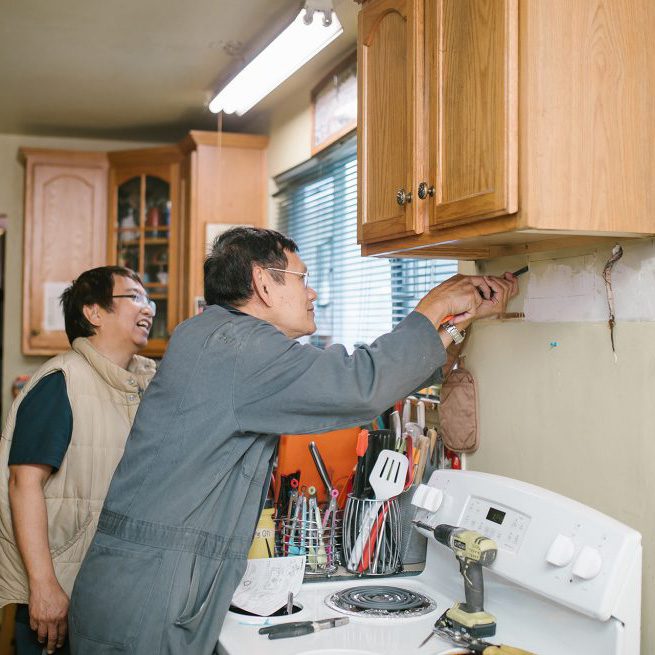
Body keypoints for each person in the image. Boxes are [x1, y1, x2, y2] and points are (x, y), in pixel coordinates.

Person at [69, 228, 517, 655]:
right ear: (264, 283)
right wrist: (433, 306)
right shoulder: (239, 347)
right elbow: (356, 385)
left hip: (142, 579)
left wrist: (453, 328)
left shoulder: (215, 335)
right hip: (150, 592)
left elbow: (345, 382)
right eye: (303, 279)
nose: (313, 293)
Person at [0, 266, 157, 655]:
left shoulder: (139, 386)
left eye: (149, 299)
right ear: (94, 312)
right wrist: (43, 586)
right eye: (134, 296)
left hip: (110, 592)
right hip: (59, 595)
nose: (149, 308)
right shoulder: (61, 382)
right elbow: (24, 483)